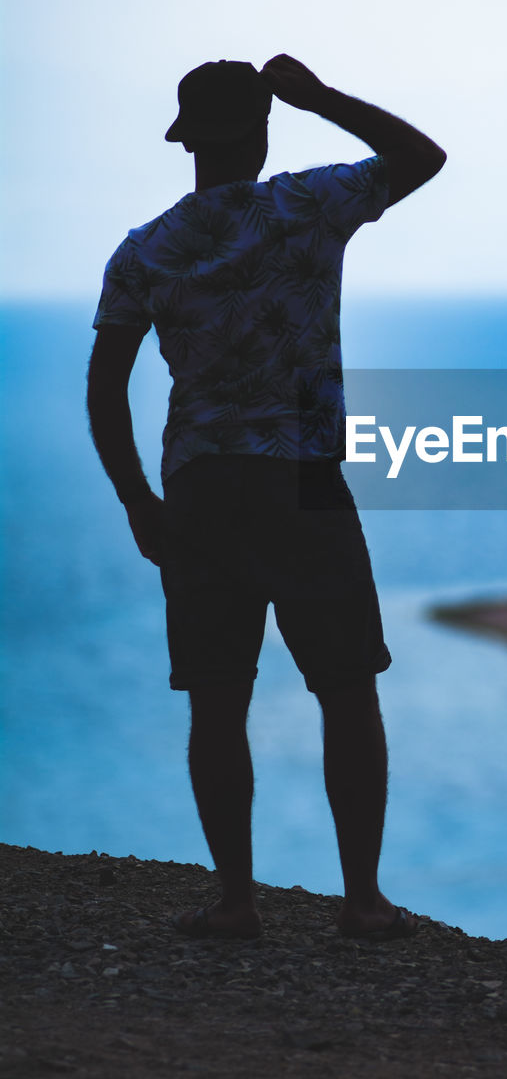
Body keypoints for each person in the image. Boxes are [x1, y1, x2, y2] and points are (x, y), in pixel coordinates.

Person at [86, 54, 446, 940]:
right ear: (262, 130)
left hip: (201, 488)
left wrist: (138, 499)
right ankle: (360, 902)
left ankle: (236, 901)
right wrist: (319, 96)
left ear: (186, 140)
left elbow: (104, 388)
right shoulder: (308, 205)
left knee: (216, 697)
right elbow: (421, 156)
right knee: (347, 689)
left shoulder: (144, 250)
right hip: (302, 479)